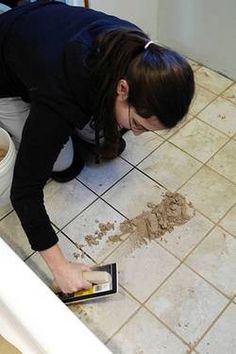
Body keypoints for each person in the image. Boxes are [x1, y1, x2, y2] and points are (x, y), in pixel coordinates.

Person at [0, 0, 195, 294]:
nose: (138, 134)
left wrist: (119, 125)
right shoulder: (63, 89)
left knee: (109, 143)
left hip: (41, 36)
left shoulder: (139, 53)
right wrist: (61, 269)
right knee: (65, 166)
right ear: (123, 89)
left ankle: (75, 123)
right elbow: (24, 192)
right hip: (6, 76)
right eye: (139, 124)